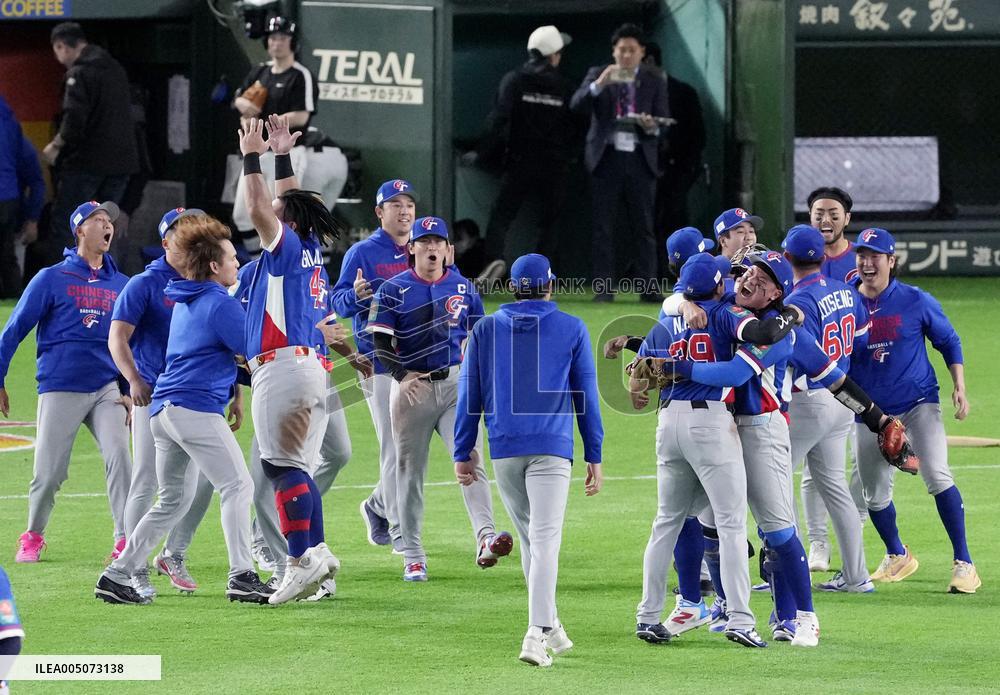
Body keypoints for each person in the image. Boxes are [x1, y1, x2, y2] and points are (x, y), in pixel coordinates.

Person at [95, 214, 269, 605]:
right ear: (213, 266)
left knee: (171, 500)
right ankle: (242, 574)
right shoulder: (217, 303)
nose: (237, 264)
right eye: (230, 258)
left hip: (163, 412)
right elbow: (254, 348)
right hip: (194, 409)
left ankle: (118, 573)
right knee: (238, 485)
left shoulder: (186, 300)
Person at [454, 253, 603, 667]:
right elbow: (586, 396)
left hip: (504, 446)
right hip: (551, 448)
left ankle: (551, 625)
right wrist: (595, 452)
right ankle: (535, 634)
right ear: (550, 286)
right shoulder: (572, 327)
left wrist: (462, 449)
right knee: (546, 541)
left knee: (531, 540)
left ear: (513, 288)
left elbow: (470, 395)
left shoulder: (484, 329)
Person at [631, 253, 768, 648]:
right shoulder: (724, 314)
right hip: (708, 421)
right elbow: (758, 333)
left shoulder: (664, 320)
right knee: (729, 523)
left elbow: (638, 384)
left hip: (667, 422)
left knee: (666, 523)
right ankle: (740, 619)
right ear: (718, 285)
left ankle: (647, 615)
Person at [369, 216, 511, 582]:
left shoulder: (463, 288)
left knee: (471, 460)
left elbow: (478, 338)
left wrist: (480, 382)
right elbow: (380, 343)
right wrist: (401, 376)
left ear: (449, 250)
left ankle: (485, 537)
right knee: (409, 472)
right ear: (411, 249)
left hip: (454, 388)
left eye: (439, 242)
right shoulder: (392, 289)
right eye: (424, 241)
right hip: (410, 391)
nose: (432, 247)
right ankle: (413, 554)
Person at [238, 115, 341, 604]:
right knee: (296, 469)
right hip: (310, 368)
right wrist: (283, 156)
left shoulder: (285, 244)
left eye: (282, 212)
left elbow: (259, 205)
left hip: (281, 367)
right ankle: (318, 555)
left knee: (281, 469)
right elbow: (291, 201)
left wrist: (252, 156)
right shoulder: (310, 248)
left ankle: (298, 561)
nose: (273, 214)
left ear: (288, 221)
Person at [0, 201, 131, 564]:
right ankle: (33, 535)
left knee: (120, 458)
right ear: (79, 230)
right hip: (61, 386)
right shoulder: (51, 278)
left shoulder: (121, 284)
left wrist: (131, 386)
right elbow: (13, 331)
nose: (107, 227)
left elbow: (133, 342)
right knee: (49, 471)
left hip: (107, 388)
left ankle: (124, 540)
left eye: (110, 222)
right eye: (99, 221)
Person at [850, 228, 980, 593]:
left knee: (937, 475)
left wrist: (960, 386)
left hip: (918, 404)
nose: (867, 262)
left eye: (876, 255)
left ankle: (965, 563)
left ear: (892, 261)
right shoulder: (847, 303)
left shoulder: (915, 300)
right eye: (862, 255)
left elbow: (948, 340)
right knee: (873, 495)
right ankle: (897, 554)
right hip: (870, 413)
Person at [108, 207, 218, 598]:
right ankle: (133, 567)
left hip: (200, 396)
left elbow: (215, 340)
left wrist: (234, 392)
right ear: (166, 239)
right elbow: (117, 337)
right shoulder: (145, 283)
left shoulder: (206, 280)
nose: (192, 234)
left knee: (205, 481)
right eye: (182, 229)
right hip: (154, 394)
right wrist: (133, 380)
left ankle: (174, 552)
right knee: (147, 480)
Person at [781, 225, 874, 593]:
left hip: (811, 400)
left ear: (787, 258)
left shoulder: (798, 302)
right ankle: (857, 577)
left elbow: (795, 357)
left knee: (772, 482)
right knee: (834, 487)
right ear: (822, 257)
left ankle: (786, 573)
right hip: (842, 401)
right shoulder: (845, 291)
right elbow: (862, 340)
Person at [329, 179, 417, 552]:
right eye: (394, 204)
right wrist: (356, 294)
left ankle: (377, 505)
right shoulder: (363, 253)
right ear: (380, 213)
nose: (404, 210)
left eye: (409, 203)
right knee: (393, 445)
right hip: (377, 360)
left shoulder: (425, 249)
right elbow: (336, 301)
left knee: (410, 448)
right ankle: (399, 529)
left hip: (420, 361)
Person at [570, 23, 669, 303]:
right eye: (621, 50)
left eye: (632, 50)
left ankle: (648, 287)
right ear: (613, 51)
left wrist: (651, 127)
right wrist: (599, 84)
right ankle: (604, 289)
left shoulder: (654, 79)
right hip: (606, 157)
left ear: (641, 53)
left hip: (639, 157)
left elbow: (664, 120)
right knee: (602, 227)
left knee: (644, 227)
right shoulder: (598, 75)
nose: (626, 55)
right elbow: (576, 105)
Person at [231, 15, 345, 255]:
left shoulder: (300, 75)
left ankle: (291, 260)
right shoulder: (260, 72)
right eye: (272, 38)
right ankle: (258, 262)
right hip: (258, 149)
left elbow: (302, 116)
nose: (277, 43)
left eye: (283, 38)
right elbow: (239, 98)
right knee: (242, 215)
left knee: (283, 212)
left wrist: (264, 121)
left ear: (293, 42)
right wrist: (246, 107)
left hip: (286, 150)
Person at [475, 25, 581, 273]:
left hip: (519, 160)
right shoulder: (566, 86)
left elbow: (497, 120)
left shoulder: (514, 80)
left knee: (502, 215)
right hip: (555, 164)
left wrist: (482, 153)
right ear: (554, 55)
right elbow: (579, 125)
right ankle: (541, 274)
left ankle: (494, 261)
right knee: (550, 222)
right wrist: (570, 155)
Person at [44, 23, 138, 245]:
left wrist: (56, 145)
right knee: (104, 227)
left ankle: (66, 278)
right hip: (121, 164)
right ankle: (100, 277)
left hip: (87, 163)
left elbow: (74, 119)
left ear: (61, 47)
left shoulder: (79, 73)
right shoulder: (115, 68)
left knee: (70, 224)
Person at [642, 43, 706, 282]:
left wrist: (686, 169)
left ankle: (681, 274)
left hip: (677, 171)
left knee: (674, 222)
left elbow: (698, 136)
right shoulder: (637, 94)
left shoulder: (683, 92)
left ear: (648, 60)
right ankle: (653, 273)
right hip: (647, 171)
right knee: (648, 224)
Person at [0, 96, 45, 298]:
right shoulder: (10, 123)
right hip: (8, 200)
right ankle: (15, 310)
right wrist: (32, 218)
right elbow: (36, 179)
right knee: (7, 256)